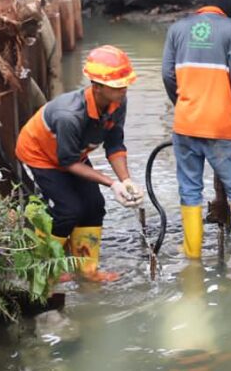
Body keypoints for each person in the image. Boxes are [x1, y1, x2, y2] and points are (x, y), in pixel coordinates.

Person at [16, 45, 143, 282]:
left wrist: (126, 181)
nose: (123, 89)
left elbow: (114, 145)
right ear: (97, 87)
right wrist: (111, 183)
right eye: (117, 85)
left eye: (125, 83)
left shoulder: (117, 103)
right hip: (40, 156)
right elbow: (68, 162)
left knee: (94, 205)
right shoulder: (69, 115)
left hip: (73, 155)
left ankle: (87, 269)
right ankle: (45, 270)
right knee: (68, 210)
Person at [162, 0, 231, 259]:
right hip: (222, 128)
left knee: (190, 191)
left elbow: (168, 75)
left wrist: (184, 105)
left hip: (185, 125)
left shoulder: (177, 29)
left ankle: (192, 255)